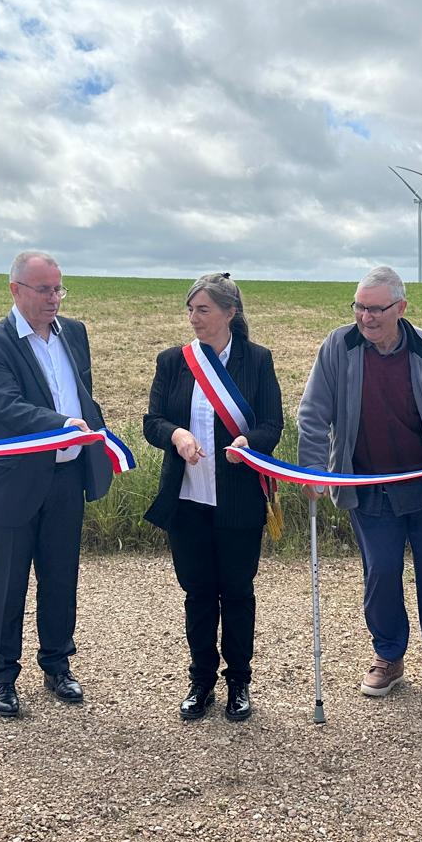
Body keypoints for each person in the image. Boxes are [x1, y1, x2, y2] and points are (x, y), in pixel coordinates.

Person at [296, 266, 422, 701]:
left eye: (376, 309)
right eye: (359, 308)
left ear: (401, 308)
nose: (366, 318)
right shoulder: (338, 347)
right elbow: (313, 415)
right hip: (369, 488)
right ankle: (388, 656)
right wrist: (313, 473)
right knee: (381, 571)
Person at [0, 251, 116, 719]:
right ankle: (1, 677)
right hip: (13, 482)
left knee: (60, 576)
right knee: (7, 582)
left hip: (67, 477)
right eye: (44, 289)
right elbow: (4, 405)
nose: (54, 298)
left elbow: (83, 392)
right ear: (16, 291)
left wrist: (96, 436)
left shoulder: (75, 333)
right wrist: (61, 423)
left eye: (58, 288)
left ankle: (56, 664)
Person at [142, 274, 284, 722]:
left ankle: (238, 681)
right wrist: (176, 434)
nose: (194, 318)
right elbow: (153, 421)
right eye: (190, 310)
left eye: (203, 310)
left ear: (230, 313)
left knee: (237, 592)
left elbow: (272, 424)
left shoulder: (257, 360)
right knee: (198, 592)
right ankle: (201, 680)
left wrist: (249, 444)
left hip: (238, 498)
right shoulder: (174, 361)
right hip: (187, 500)